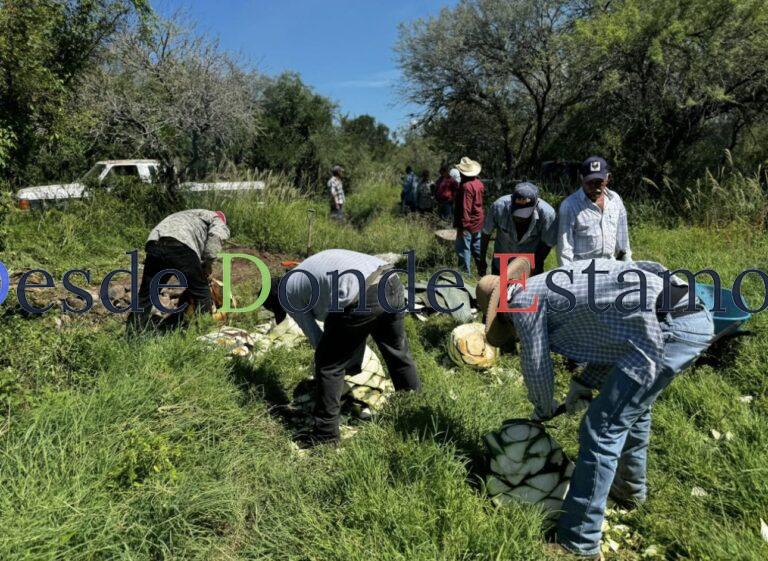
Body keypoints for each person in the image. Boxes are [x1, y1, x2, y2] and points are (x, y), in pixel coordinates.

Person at [476, 258, 714, 559]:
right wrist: (584, 383)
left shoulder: (523, 301)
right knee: (632, 413)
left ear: (502, 312)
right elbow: (612, 335)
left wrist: (544, 408)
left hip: (668, 329)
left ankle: (579, 542)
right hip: (686, 314)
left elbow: (537, 364)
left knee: (600, 430)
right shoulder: (550, 284)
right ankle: (629, 494)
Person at [263, 249, 421, 446]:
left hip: (363, 292)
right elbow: (342, 322)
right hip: (391, 281)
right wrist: (351, 360)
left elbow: (317, 337)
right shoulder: (305, 271)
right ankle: (414, 410)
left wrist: (333, 367)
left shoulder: (288, 294)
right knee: (397, 351)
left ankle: (326, 436)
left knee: (328, 365)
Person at [127, 209, 230, 333]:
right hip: (180, 243)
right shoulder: (216, 219)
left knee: (147, 294)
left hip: (155, 242)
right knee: (201, 291)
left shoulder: (191, 214)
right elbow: (215, 239)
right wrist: (207, 264)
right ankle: (205, 333)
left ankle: (132, 335)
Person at [557, 156, 631, 266]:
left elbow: (623, 242)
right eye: (589, 182)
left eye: (599, 182)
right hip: (582, 270)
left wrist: (628, 267)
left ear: (608, 178)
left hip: (610, 266)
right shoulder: (569, 206)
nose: (594, 187)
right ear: (581, 178)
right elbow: (565, 250)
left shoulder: (615, 200)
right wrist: (568, 278)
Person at [479, 182, 557, 277]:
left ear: (536, 205)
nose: (520, 218)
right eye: (517, 212)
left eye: (525, 214)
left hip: (529, 268)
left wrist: (533, 266)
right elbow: (486, 233)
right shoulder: (499, 207)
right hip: (501, 264)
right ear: (512, 201)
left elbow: (546, 244)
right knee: (500, 291)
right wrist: (482, 260)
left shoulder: (547, 215)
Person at [453, 157, 486, 276]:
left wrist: (463, 227)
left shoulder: (466, 186)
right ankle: (482, 273)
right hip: (478, 222)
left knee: (463, 250)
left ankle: (464, 276)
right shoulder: (479, 183)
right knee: (477, 248)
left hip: (468, 223)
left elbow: (465, 208)